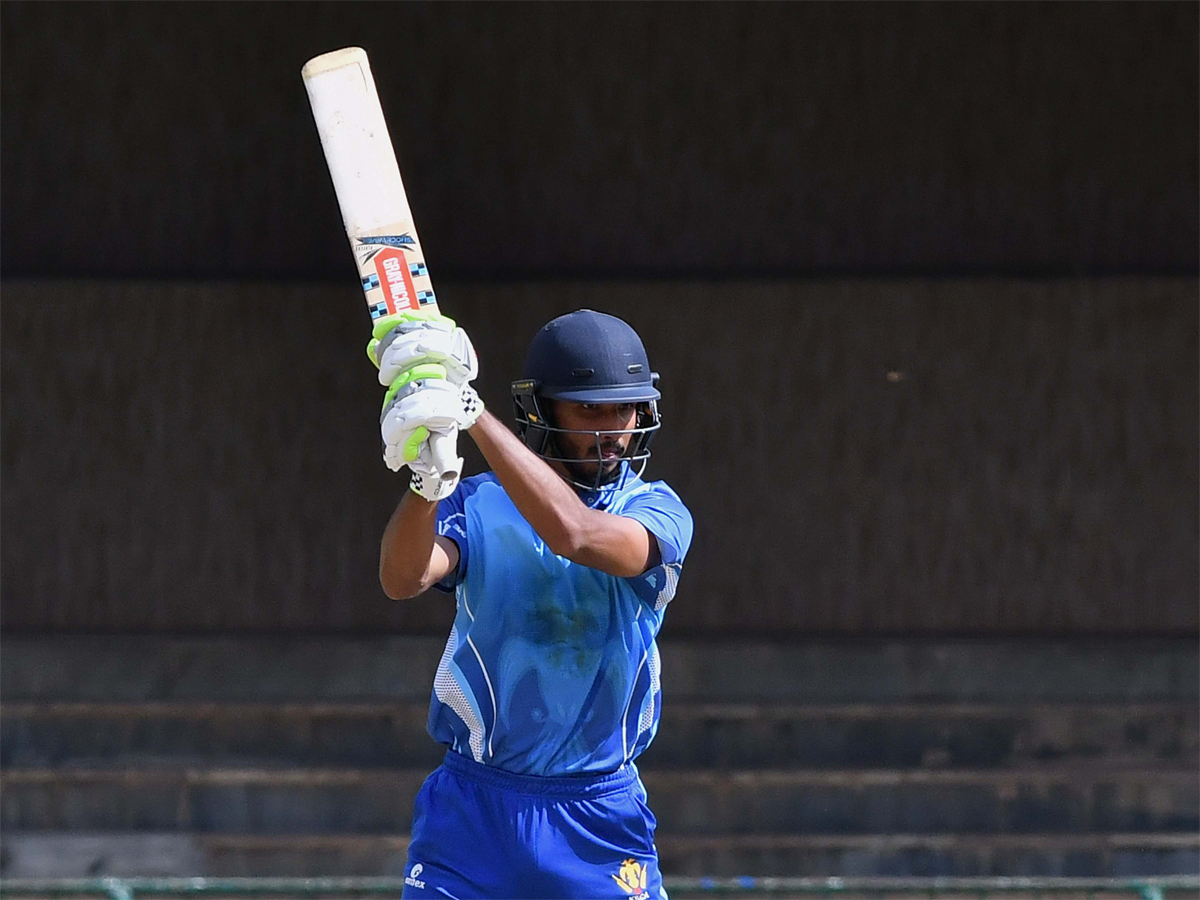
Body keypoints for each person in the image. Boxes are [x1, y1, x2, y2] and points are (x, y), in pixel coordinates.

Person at [368, 308, 693, 900]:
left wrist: (470, 411)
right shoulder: (478, 501)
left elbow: (578, 535)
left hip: (597, 817)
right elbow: (402, 578)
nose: (613, 431)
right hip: (472, 813)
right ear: (541, 411)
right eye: (590, 410)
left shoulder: (658, 511)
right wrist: (426, 485)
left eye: (624, 409)